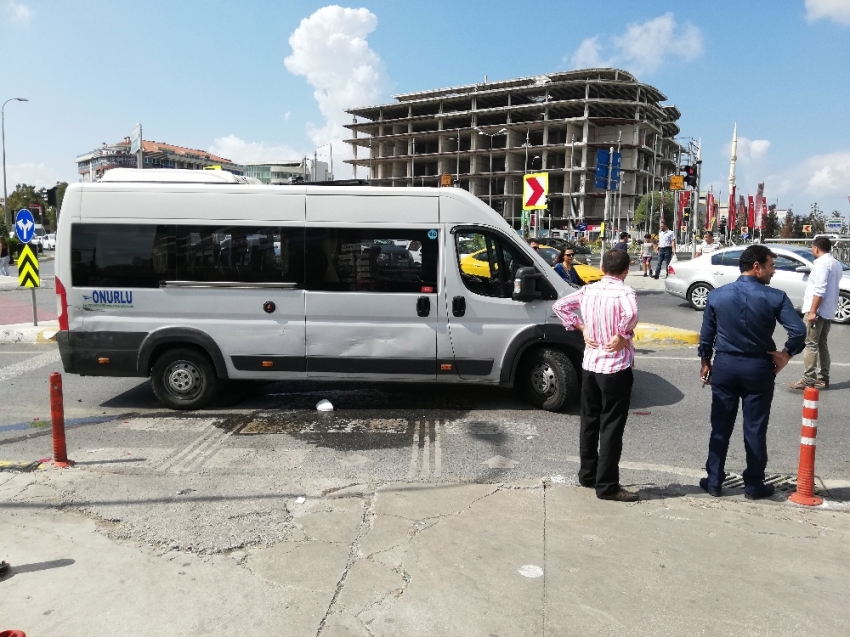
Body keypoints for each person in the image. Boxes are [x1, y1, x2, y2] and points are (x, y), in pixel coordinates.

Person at [698, 245, 806, 499]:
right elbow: (799, 331)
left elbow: (706, 336)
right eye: (771, 265)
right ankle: (754, 484)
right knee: (755, 427)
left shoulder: (717, 296)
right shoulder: (775, 297)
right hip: (758, 367)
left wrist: (705, 361)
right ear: (756, 267)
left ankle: (714, 481)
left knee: (720, 426)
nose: (774, 270)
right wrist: (787, 354)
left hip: (725, 365)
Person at [553, 249, 639, 502]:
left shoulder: (589, 290)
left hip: (590, 365)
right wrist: (623, 334)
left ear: (602, 267)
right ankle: (608, 485)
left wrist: (581, 327)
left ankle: (587, 474)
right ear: (626, 270)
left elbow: (560, 305)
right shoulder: (625, 292)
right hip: (615, 367)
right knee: (611, 426)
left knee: (589, 421)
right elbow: (631, 314)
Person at [788, 236, 843, 390]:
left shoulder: (821, 264)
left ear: (816, 248)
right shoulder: (835, 263)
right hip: (828, 310)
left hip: (817, 311)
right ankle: (823, 378)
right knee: (822, 344)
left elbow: (819, 289)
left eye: (812, 247)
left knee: (810, 344)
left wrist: (812, 312)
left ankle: (809, 378)